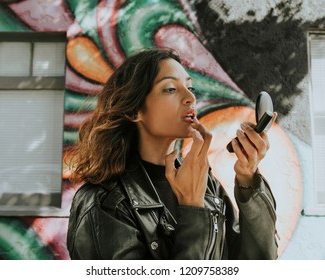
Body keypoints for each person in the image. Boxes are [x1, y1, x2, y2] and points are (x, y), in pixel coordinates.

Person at [66, 48, 278, 260]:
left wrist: (247, 178)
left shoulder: (206, 185)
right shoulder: (102, 204)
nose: (190, 98)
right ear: (133, 110)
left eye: (190, 87)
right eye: (169, 89)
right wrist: (193, 209)